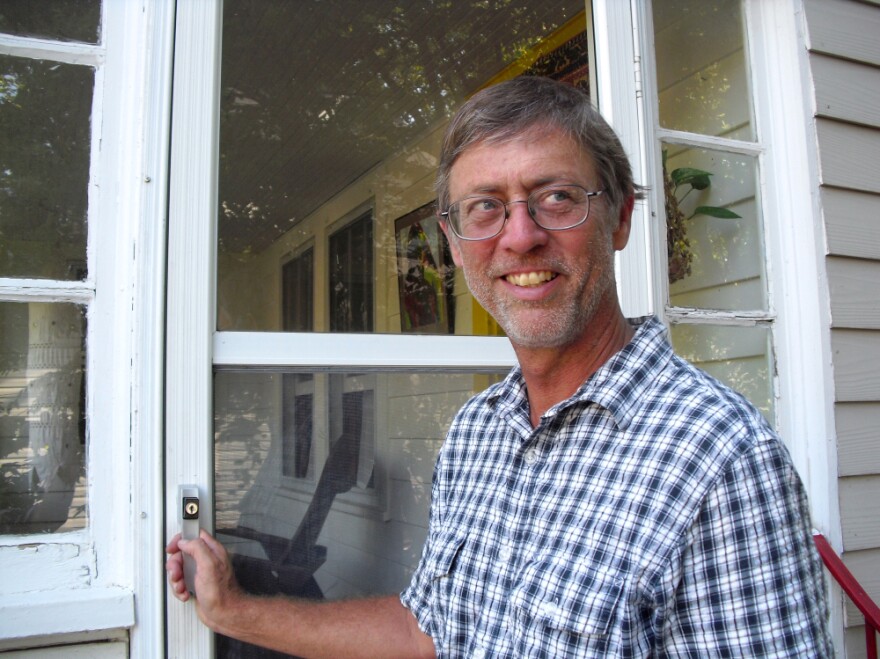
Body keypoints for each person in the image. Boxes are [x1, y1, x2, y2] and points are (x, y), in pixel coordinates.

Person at [167, 76, 832, 657]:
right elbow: (429, 629)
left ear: (622, 217)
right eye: (486, 207)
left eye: (557, 197)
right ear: (453, 244)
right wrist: (233, 610)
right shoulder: (476, 432)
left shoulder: (721, 460)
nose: (520, 235)